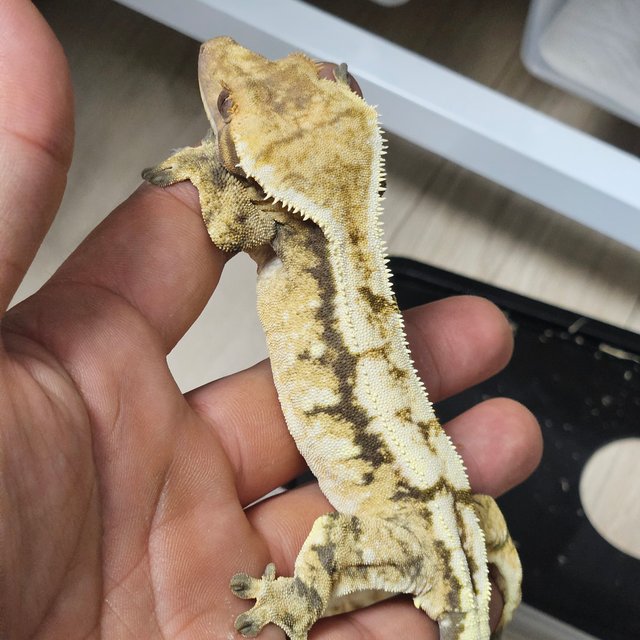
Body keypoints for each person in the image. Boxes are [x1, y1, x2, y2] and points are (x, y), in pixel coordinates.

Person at [0, 1, 542, 637]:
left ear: (255, 176)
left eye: (227, 110)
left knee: (331, 543)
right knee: (473, 511)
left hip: (411, 537)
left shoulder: (265, 220)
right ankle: (498, 568)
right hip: (444, 516)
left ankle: (306, 607)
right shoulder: (313, 229)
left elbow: (227, 223)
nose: (224, 53)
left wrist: (208, 172)